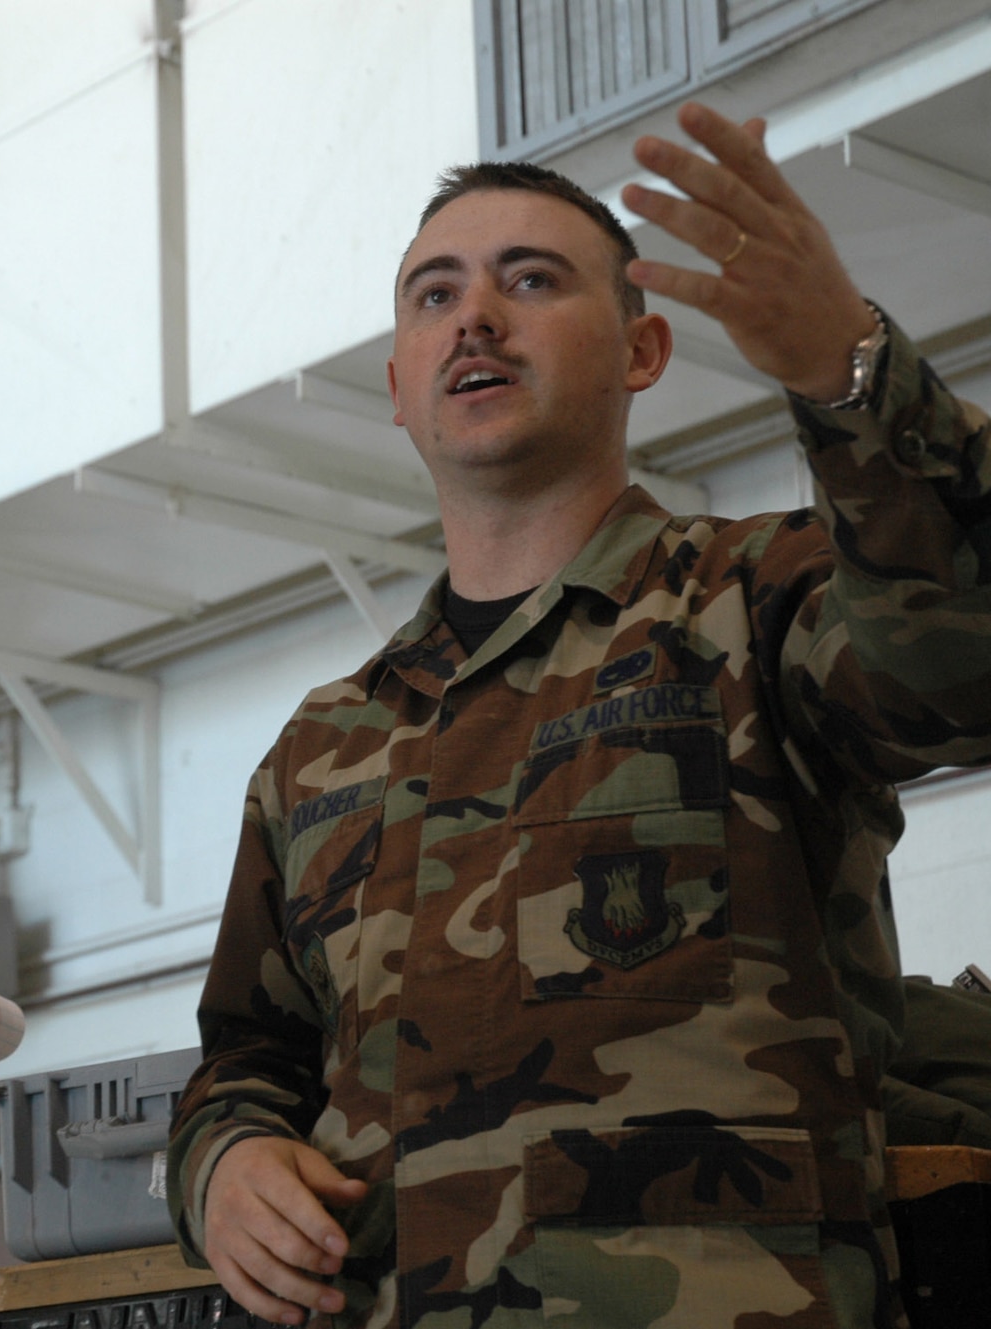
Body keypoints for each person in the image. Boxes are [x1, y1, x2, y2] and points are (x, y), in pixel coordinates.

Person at [167, 102, 990, 1329]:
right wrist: (218, 1165)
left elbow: (957, 674)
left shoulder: (757, 604)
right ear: (397, 385)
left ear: (642, 350)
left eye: (531, 279)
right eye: (431, 296)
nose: (474, 320)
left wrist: (847, 369)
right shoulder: (321, 748)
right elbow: (246, 1057)